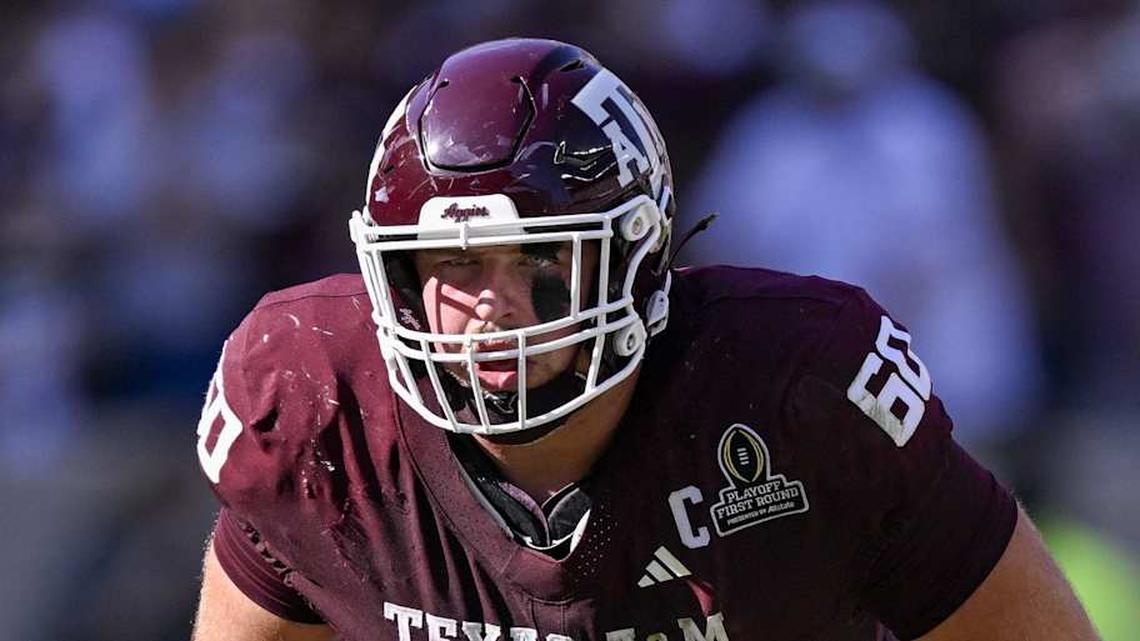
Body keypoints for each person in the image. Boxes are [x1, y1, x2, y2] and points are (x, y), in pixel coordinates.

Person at [191, 38, 1098, 641]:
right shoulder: (314, 408)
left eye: (537, 260)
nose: (489, 306)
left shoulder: (796, 390)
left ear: (637, 257)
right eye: (453, 264)